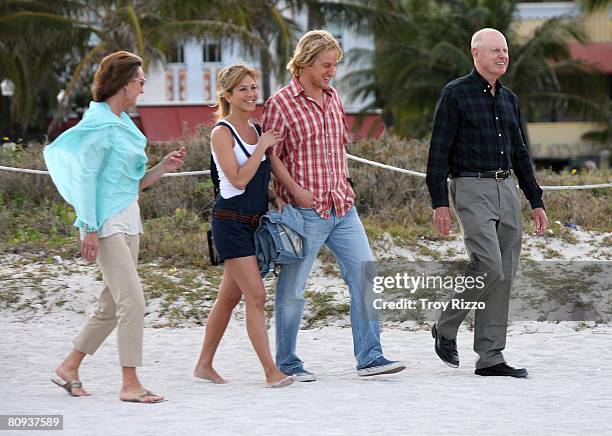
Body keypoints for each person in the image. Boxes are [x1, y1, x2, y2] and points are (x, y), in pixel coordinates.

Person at [263, 30, 405, 381]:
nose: (332, 71)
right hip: (304, 211)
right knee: (293, 291)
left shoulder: (333, 96)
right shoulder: (281, 102)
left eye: (335, 65)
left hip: (342, 206)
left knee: (365, 279)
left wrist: (346, 183)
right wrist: (294, 190)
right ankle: (287, 363)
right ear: (306, 61)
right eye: (327, 65)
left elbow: (337, 145)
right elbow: (271, 155)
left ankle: (370, 357)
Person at [44, 51, 186, 402]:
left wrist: (163, 168)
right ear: (125, 86)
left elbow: (132, 183)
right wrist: (89, 227)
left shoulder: (124, 124)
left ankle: (69, 367)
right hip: (104, 222)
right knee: (132, 301)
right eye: (140, 82)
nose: (142, 87)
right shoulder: (99, 125)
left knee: (111, 304)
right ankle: (129, 383)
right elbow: (87, 180)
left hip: (129, 218)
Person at [425, 28, 549, 378]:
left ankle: (491, 357)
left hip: (506, 187)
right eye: (495, 50)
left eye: (505, 50)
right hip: (469, 186)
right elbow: (438, 152)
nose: (502, 56)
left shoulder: (509, 99)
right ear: (475, 53)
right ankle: (446, 327)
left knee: (504, 274)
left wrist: (535, 199)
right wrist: (440, 202)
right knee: (488, 265)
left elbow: (521, 152)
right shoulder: (455, 94)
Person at [193, 64, 293, 388]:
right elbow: (235, 179)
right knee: (257, 295)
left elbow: (254, 180)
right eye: (243, 89)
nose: (251, 94)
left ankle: (204, 364)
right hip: (230, 223)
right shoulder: (222, 133)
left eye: (253, 87)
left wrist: (274, 197)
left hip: (254, 224)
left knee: (227, 298)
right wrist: (262, 147)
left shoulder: (255, 128)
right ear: (227, 95)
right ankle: (271, 372)